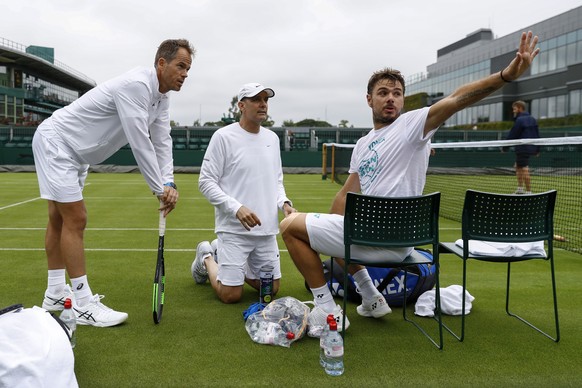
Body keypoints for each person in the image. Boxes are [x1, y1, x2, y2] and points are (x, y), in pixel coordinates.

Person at [280, 31, 540, 337]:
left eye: (397, 93)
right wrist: (328, 223)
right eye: (383, 92)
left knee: (288, 228)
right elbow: (346, 193)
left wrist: (506, 75)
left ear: (403, 99)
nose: (391, 97)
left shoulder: (413, 125)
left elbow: (457, 99)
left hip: (387, 238)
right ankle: (371, 297)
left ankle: (326, 309)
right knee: (334, 226)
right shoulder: (364, 144)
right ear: (369, 99)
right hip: (380, 237)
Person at [32, 39, 195, 327]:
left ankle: (56, 292)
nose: (185, 73)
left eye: (188, 69)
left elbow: (161, 140)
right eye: (181, 66)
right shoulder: (136, 85)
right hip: (57, 142)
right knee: (76, 218)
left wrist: (169, 181)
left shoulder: (162, 98)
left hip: (75, 154)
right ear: (161, 63)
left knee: (58, 219)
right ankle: (82, 304)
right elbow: (139, 141)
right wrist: (159, 189)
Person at [192, 83, 296, 304]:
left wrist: (284, 203)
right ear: (241, 105)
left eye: (265, 100)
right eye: (256, 99)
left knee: (270, 290)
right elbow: (206, 182)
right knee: (231, 295)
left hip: (266, 230)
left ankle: (227, 262)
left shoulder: (272, 139)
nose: (263, 104)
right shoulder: (223, 137)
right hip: (233, 230)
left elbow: (276, 180)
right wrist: (236, 208)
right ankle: (207, 258)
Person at [506, 100, 540, 194]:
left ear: (520, 108)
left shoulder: (519, 120)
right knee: (517, 166)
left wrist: (505, 147)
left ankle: (529, 191)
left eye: (515, 109)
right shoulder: (532, 119)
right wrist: (537, 149)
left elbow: (513, 134)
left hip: (523, 148)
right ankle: (520, 189)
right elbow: (537, 134)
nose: (513, 111)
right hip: (530, 147)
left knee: (524, 169)